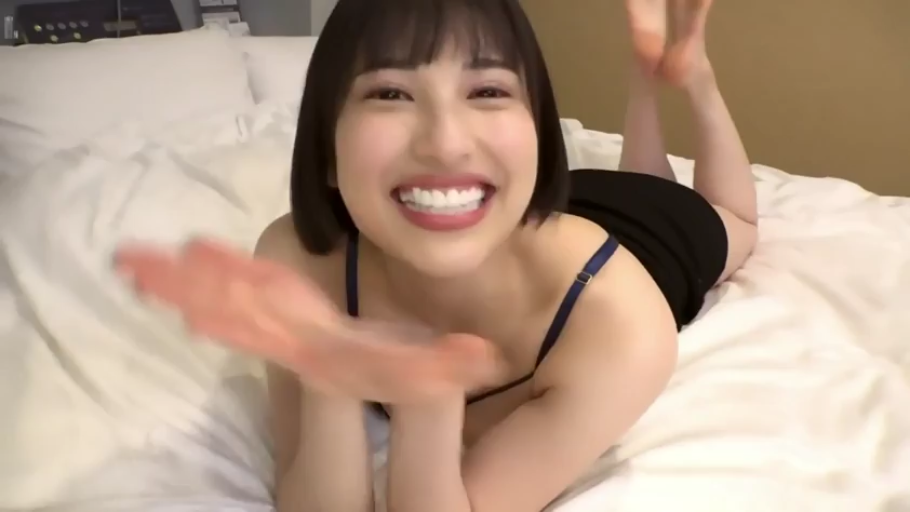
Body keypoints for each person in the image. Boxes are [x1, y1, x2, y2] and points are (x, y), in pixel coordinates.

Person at [114, 0, 758, 510]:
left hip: (644, 240)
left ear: (538, 133)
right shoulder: (299, 262)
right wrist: (331, 367)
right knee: (631, 176)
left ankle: (690, 75)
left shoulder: (623, 324)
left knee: (738, 223)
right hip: (501, 206)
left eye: (488, 91)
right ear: (325, 150)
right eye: (391, 93)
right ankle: (644, 81)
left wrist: (429, 398)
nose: (447, 143)